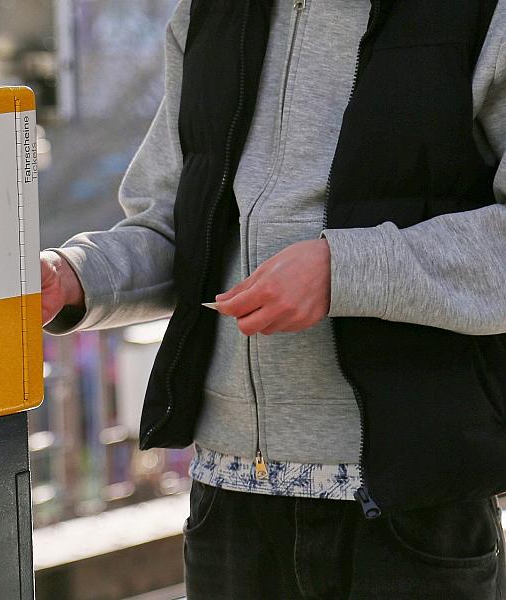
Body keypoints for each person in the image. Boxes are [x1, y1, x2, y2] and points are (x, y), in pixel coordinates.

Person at [40, 0, 506, 598]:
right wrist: (78, 275)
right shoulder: (209, 15)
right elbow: (178, 230)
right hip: (229, 500)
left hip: (410, 507)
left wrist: (344, 269)